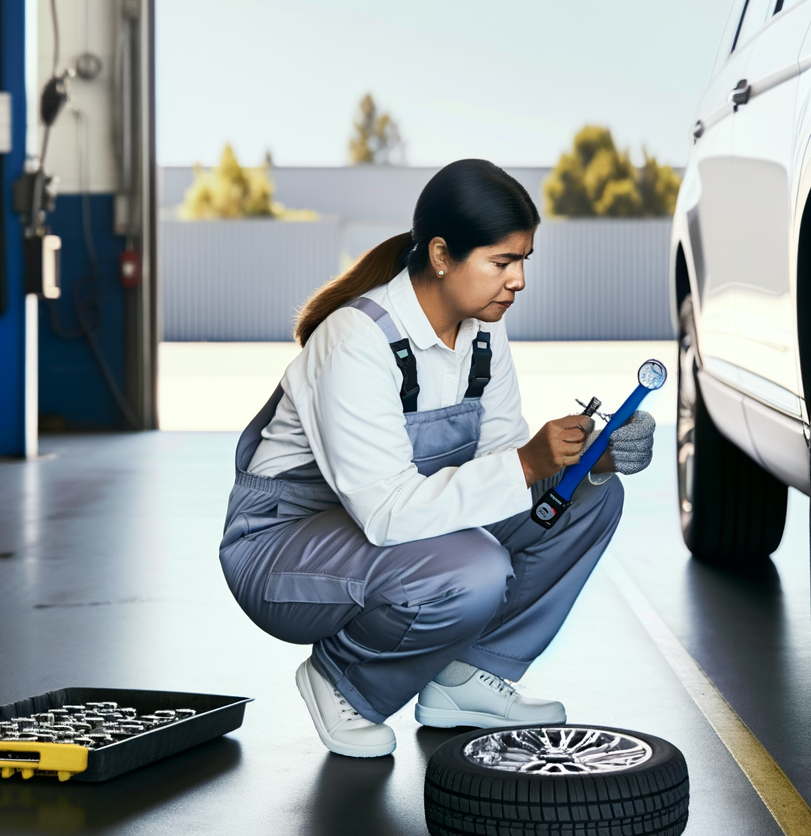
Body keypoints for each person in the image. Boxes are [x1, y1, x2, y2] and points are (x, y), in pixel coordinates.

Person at [218, 159, 657, 758]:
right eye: (502, 262)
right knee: (474, 569)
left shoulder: (483, 332)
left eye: (524, 260)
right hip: (280, 550)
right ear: (443, 255)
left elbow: (501, 462)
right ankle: (342, 677)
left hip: (386, 525)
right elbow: (387, 513)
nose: (519, 280)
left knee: (588, 499)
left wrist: (592, 459)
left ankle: (464, 676)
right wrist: (529, 464)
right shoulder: (355, 340)